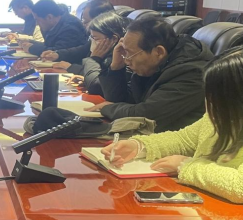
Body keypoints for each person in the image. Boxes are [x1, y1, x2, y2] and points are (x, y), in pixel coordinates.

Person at [101, 47, 243, 204]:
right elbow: (183, 140)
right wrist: (139, 146)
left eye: (219, 98)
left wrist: (185, 165)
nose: (209, 104)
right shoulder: (217, 117)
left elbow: (240, 187)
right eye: (209, 95)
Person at [88, 14, 213, 132]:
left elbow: (146, 116)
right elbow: (121, 101)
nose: (126, 60)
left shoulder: (192, 74)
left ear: (158, 52)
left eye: (129, 53)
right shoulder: (156, 64)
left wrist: (106, 108)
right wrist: (116, 68)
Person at [53, 11, 129, 95]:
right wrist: (86, 78)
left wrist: (93, 59)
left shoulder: (120, 57)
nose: (92, 42)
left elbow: (95, 86)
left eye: (96, 38)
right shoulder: (106, 52)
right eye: (91, 38)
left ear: (114, 39)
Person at [41, 0, 115, 63]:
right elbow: (82, 50)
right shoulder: (94, 38)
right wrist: (58, 54)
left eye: (86, 21)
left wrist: (72, 67)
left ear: (101, 20)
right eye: (82, 20)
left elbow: (97, 73)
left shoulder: (115, 51)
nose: (83, 25)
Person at [21, 0, 86, 57]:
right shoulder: (55, 24)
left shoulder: (70, 28)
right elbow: (49, 46)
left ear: (49, 17)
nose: (37, 24)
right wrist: (31, 42)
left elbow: (58, 52)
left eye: (37, 20)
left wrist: (32, 48)